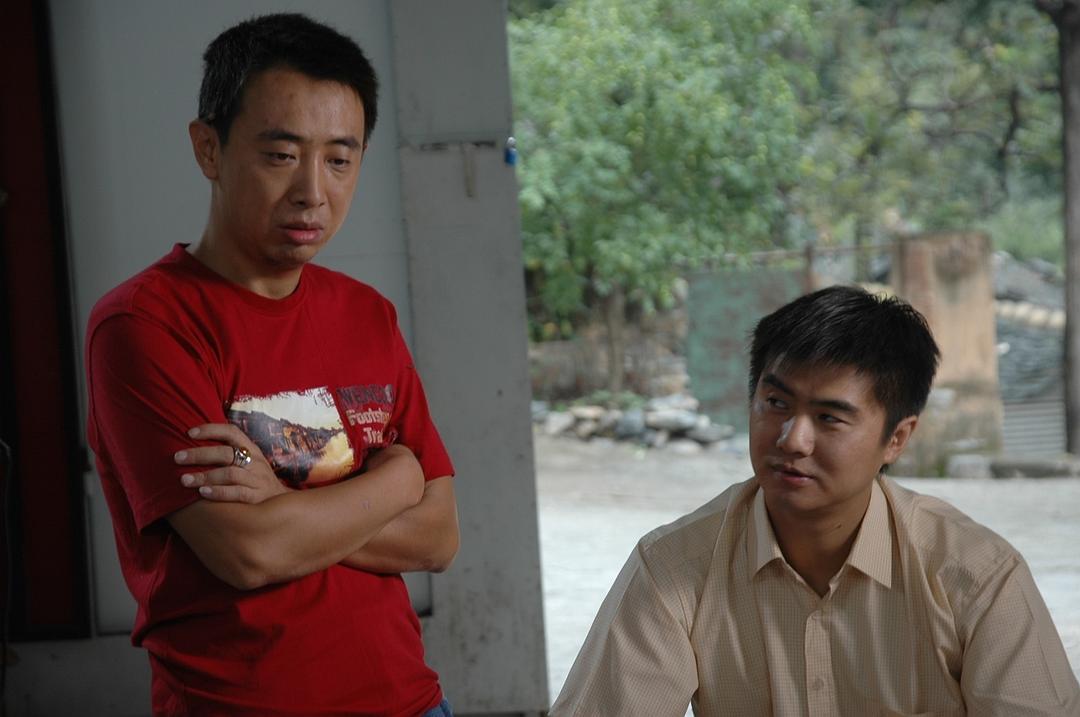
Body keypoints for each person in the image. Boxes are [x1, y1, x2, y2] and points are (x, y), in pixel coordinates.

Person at [85, 13, 458, 716]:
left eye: (340, 159)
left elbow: (440, 535)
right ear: (209, 148)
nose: (313, 191)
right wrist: (398, 478)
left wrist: (285, 509)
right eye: (282, 154)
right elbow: (248, 552)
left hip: (410, 700)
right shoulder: (143, 325)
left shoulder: (367, 314)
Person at [551, 285, 1080, 716]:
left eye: (829, 417)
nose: (792, 440)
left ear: (897, 439)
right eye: (775, 403)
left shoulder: (974, 573)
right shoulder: (674, 567)